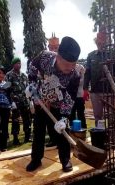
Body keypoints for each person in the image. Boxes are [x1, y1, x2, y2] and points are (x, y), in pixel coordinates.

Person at [25, 36, 81, 172]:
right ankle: (36, 159)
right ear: (59, 57)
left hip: (59, 103)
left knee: (62, 131)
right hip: (41, 99)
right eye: (68, 65)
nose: (71, 68)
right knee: (38, 130)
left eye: (74, 64)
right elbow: (32, 68)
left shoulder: (75, 75)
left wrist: (64, 118)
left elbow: (70, 99)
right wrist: (31, 86)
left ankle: (65, 160)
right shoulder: (45, 57)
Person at [5, 57, 32, 145]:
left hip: (24, 101)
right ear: (13, 64)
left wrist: (30, 99)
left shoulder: (24, 75)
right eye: (17, 63)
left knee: (27, 119)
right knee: (15, 120)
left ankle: (27, 137)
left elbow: (28, 88)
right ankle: (16, 138)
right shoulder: (9, 75)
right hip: (15, 101)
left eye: (20, 63)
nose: (19, 65)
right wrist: (11, 101)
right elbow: (7, 88)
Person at [83, 31, 108, 126]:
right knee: (98, 116)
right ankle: (100, 135)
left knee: (112, 115)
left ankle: (111, 136)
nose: (100, 42)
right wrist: (85, 89)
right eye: (98, 40)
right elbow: (87, 73)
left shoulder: (113, 55)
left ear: (107, 41)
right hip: (95, 91)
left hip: (110, 91)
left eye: (103, 40)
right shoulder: (91, 55)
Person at [45, 34, 60, 147]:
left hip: (61, 93)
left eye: (56, 47)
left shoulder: (63, 58)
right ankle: (53, 139)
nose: (54, 49)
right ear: (49, 47)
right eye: (52, 47)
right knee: (50, 117)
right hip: (48, 92)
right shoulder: (44, 59)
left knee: (62, 117)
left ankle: (62, 139)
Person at [69, 63, 87, 128]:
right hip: (70, 96)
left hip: (79, 95)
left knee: (81, 114)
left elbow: (83, 80)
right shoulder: (68, 66)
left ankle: (83, 129)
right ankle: (72, 130)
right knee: (71, 114)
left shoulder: (80, 67)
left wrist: (75, 81)